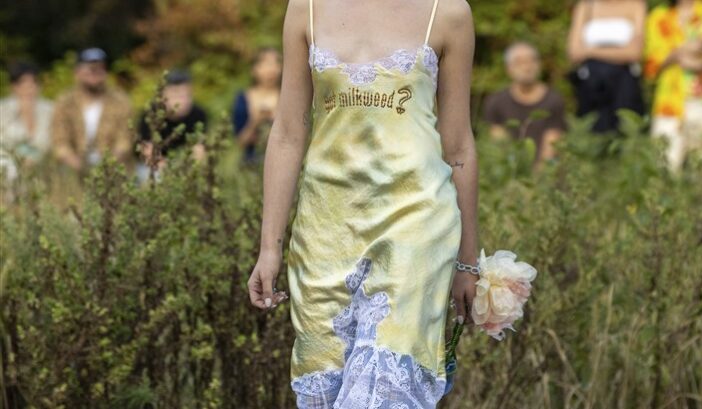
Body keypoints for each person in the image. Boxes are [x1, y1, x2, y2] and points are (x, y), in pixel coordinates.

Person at [246, 0, 479, 407]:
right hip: (323, 231)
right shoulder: (306, 8)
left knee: (385, 392)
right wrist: (270, 247)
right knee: (325, 389)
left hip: (415, 223)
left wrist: (468, 261)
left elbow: (458, 147)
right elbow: (287, 133)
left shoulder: (447, 12)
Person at [645, 0, 702, 171]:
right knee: (663, 170)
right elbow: (650, 67)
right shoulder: (659, 17)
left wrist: (696, 64)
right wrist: (682, 51)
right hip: (668, 105)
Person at [51, 48, 134, 175]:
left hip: (111, 166)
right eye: (90, 69)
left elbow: (125, 141)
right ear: (77, 72)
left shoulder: (120, 101)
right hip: (74, 165)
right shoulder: (65, 102)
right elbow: (59, 141)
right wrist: (78, 166)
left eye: (99, 69)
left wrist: (107, 165)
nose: (94, 73)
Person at [483, 42, 567, 169]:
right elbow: (500, 145)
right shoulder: (496, 102)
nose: (527, 67)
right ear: (509, 68)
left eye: (531, 61)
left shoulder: (553, 100)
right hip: (512, 169)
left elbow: (551, 146)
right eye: (519, 62)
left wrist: (538, 175)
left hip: (545, 170)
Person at [567, 0, 647, 133]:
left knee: (624, 130)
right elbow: (574, 52)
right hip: (591, 86)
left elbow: (634, 53)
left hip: (623, 86)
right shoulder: (586, 7)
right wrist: (619, 52)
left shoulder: (635, 5)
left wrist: (590, 51)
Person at [137, 69, 208, 180]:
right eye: (176, 95)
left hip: (184, 164)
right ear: (163, 96)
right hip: (155, 166)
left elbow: (200, 150)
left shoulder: (198, 114)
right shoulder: (151, 114)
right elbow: (148, 152)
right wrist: (169, 173)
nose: (182, 100)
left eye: (187, 95)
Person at [0, 62, 54, 182]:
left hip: (42, 166)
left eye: (33, 83)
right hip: (9, 166)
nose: (29, 88)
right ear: (14, 87)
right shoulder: (3, 110)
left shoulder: (50, 110)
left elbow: (53, 142)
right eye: (24, 83)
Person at [232, 48, 282, 166]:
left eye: (276, 63)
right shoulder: (243, 98)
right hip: (250, 164)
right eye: (266, 64)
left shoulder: (287, 96)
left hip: (280, 161)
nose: (271, 69)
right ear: (254, 69)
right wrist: (255, 121)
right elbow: (240, 142)